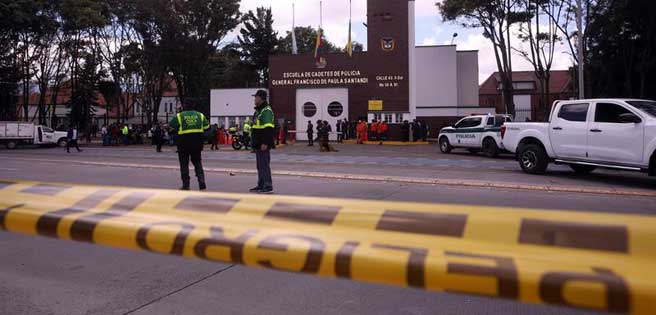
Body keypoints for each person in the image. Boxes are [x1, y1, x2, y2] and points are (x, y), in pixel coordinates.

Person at [168, 103, 210, 191]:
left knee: (184, 164)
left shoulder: (179, 116)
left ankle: (186, 185)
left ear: (183, 107)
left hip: (183, 143)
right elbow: (207, 127)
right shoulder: (200, 115)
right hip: (197, 142)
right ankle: (202, 182)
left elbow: (171, 127)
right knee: (198, 163)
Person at [250, 90, 275, 194]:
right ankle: (261, 184)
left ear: (261, 98)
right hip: (258, 143)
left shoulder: (266, 111)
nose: (254, 99)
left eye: (256, 97)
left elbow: (268, 128)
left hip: (262, 143)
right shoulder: (259, 111)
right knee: (260, 165)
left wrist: (265, 143)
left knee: (264, 165)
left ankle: (268, 186)